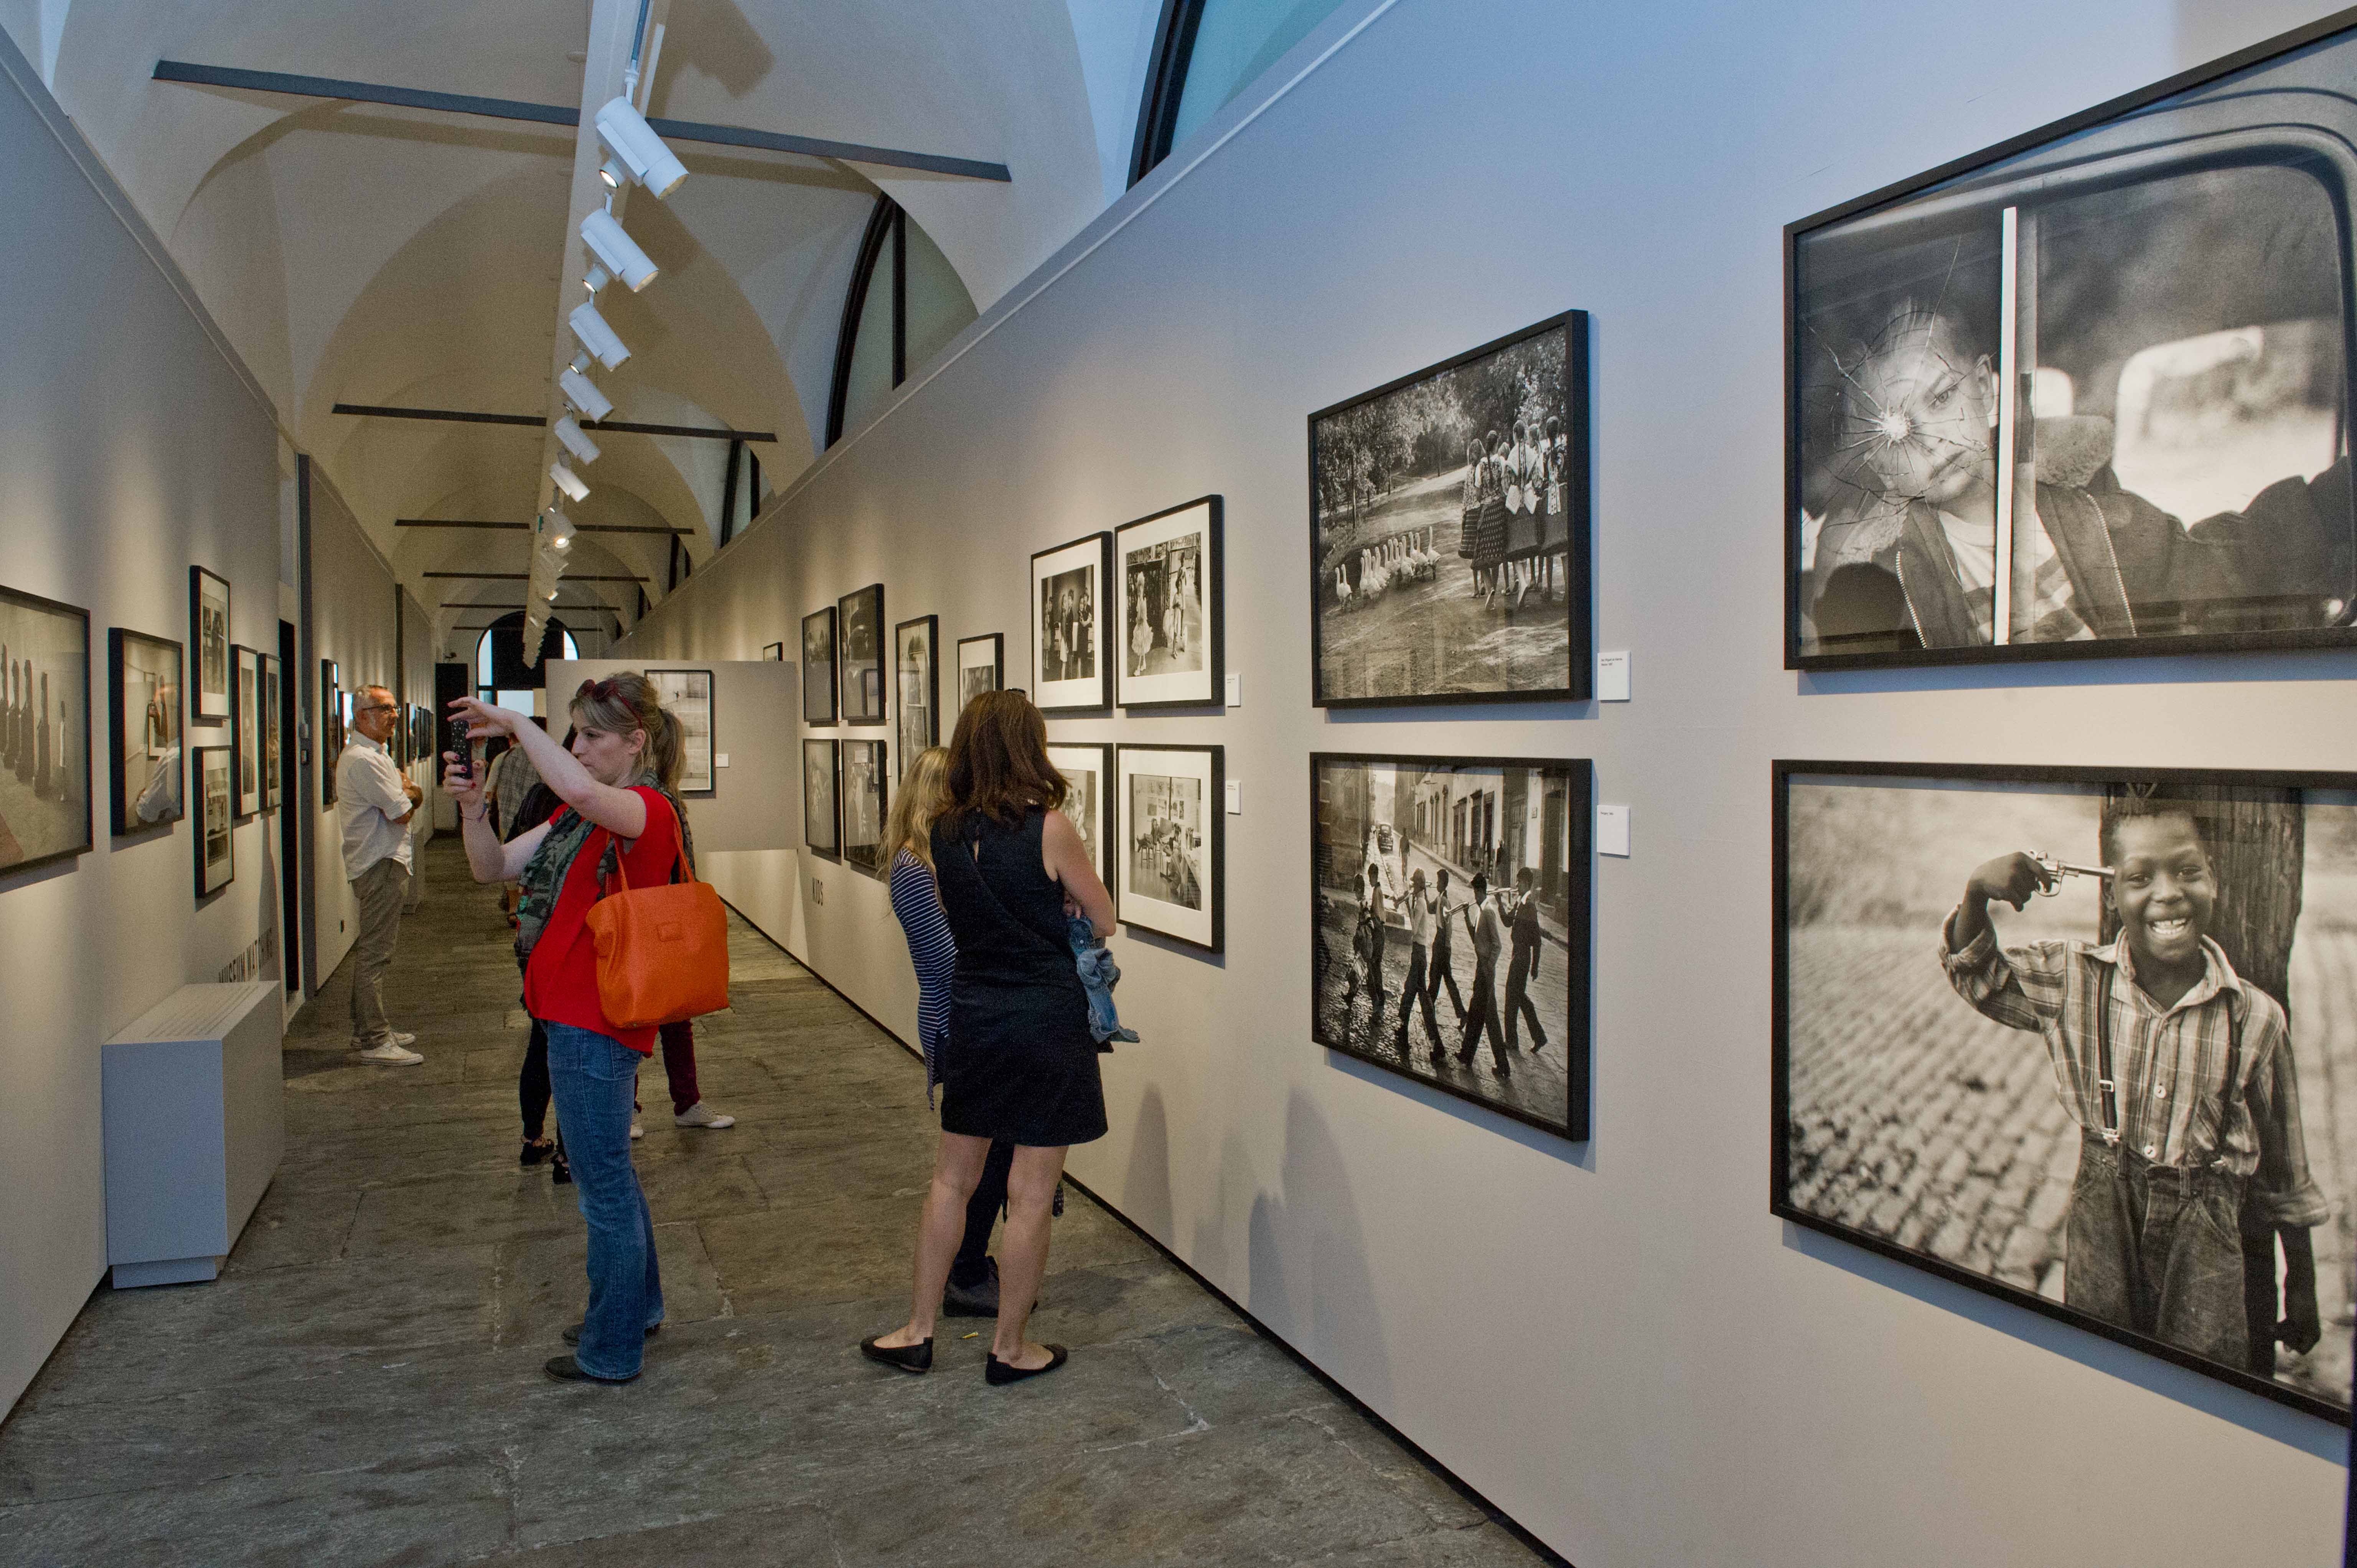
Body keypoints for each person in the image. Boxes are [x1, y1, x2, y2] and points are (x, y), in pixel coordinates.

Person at [1940, 797, 2328, 1365]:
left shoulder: (2256, 1018)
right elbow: (1979, 974)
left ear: (2215, 883)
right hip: (2105, 1235)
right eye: (2141, 878)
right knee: (2100, 1366)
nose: (2168, 893)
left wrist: (2304, 1283)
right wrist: (1977, 892)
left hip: (2207, 1253)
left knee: (2204, 1381)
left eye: (2187, 871)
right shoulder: (2075, 981)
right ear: (2111, 895)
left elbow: (2284, 1169)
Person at [1806, 303, 2355, 652]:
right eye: (1896, 429)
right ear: (1875, 458)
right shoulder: (1888, 577)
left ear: (1986, 387)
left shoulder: (2089, 510)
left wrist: (2328, 508)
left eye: (1943, 397)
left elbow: (2213, 574)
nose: (1933, 439)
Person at [861, 691, 1116, 1384]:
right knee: (1029, 1193)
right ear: (1028, 746)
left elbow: (959, 913)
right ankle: (1009, 1347)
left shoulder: (943, 831)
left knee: (951, 1180)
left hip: (975, 1014)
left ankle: (917, 1331)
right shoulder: (1050, 828)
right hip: (1045, 1020)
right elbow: (1103, 919)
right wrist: (1064, 901)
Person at [448, 674, 689, 1385]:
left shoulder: (646, 810)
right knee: (611, 1174)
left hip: (595, 1022)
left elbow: (581, 790)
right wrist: (472, 810)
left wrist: (517, 725)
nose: (578, 749)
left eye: (591, 735)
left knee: (601, 1186)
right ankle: (637, 1309)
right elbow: (493, 866)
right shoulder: (582, 818)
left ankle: (611, 1349)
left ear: (635, 742)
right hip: (567, 1016)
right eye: (574, 735)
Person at [884, 745, 1014, 1318]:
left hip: (972, 1018)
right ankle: (964, 1272)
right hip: (957, 1024)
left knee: (995, 1152)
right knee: (977, 1161)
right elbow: (947, 960)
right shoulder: (915, 870)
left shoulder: (940, 862)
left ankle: (970, 1263)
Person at [338, 685, 423, 1066]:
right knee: (376, 953)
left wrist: (409, 791)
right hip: (380, 863)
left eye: (393, 708)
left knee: (373, 951)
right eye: (384, 709)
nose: (394, 715)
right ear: (361, 715)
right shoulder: (364, 760)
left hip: (382, 860)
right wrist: (411, 792)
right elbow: (402, 812)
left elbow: (406, 797)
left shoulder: (375, 754)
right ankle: (375, 1040)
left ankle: (366, 1029)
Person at [1454, 873, 1508, 1077]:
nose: (1474, 896)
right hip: (1482, 968)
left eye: (1475, 892)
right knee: (1476, 1015)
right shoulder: (1480, 911)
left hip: (1486, 971)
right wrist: (1467, 917)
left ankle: (1503, 1066)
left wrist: (1489, 967)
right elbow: (1476, 941)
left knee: (1490, 1021)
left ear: (1480, 891)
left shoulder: (1489, 912)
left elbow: (1497, 945)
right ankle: (1467, 1055)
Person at [1391, 867, 1446, 1062]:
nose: (1412, 888)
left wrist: (1407, 906)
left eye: (1414, 885)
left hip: (1419, 955)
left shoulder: (1420, 904)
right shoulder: (1420, 901)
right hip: (1419, 954)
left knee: (1421, 1000)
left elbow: (1414, 931)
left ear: (1419, 886)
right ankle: (1404, 1031)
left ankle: (1437, 1047)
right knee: (1411, 993)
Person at [1503, 867, 1549, 1056]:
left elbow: (1537, 941)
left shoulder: (1529, 907)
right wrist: (1499, 904)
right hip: (1518, 955)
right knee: (1520, 998)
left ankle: (1512, 1041)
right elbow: (1508, 922)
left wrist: (1535, 967)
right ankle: (1539, 1037)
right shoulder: (1520, 902)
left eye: (1519, 882)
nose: (1516, 885)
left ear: (1526, 884)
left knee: (1511, 997)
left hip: (1522, 958)